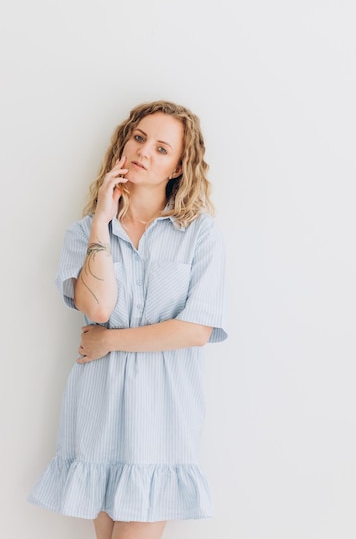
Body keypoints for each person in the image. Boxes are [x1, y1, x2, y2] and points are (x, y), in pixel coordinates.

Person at [28, 100, 227, 539]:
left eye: (161, 148)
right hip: (97, 414)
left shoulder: (198, 233)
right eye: (139, 139)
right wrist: (102, 220)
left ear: (178, 166)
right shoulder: (83, 232)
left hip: (161, 418)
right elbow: (97, 309)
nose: (144, 152)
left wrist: (111, 341)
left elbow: (196, 330)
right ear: (123, 142)